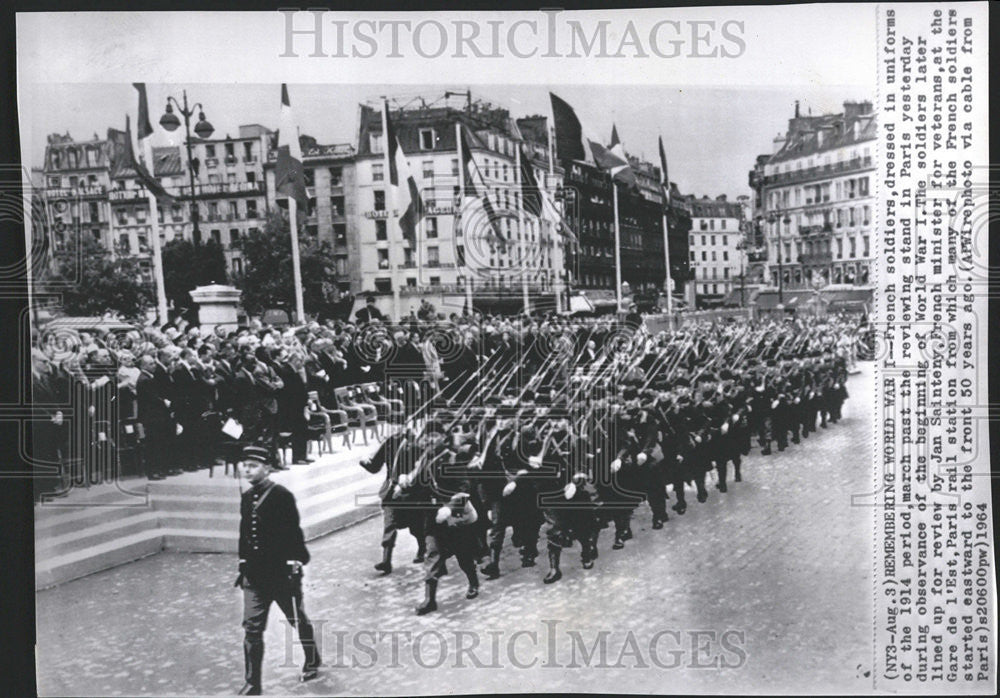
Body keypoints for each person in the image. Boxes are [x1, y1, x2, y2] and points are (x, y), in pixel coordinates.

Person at [235, 446, 321, 695]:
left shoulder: (282, 495)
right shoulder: (246, 497)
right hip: (254, 576)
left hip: (281, 576)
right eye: (245, 465)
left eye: (253, 465)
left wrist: (295, 562)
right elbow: (244, 534)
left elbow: (294, 532)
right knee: (252, 628)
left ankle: (312, 658)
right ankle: (253, 682)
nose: (247, 469)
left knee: (297, 619)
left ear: (267, 468)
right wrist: (242, 561)